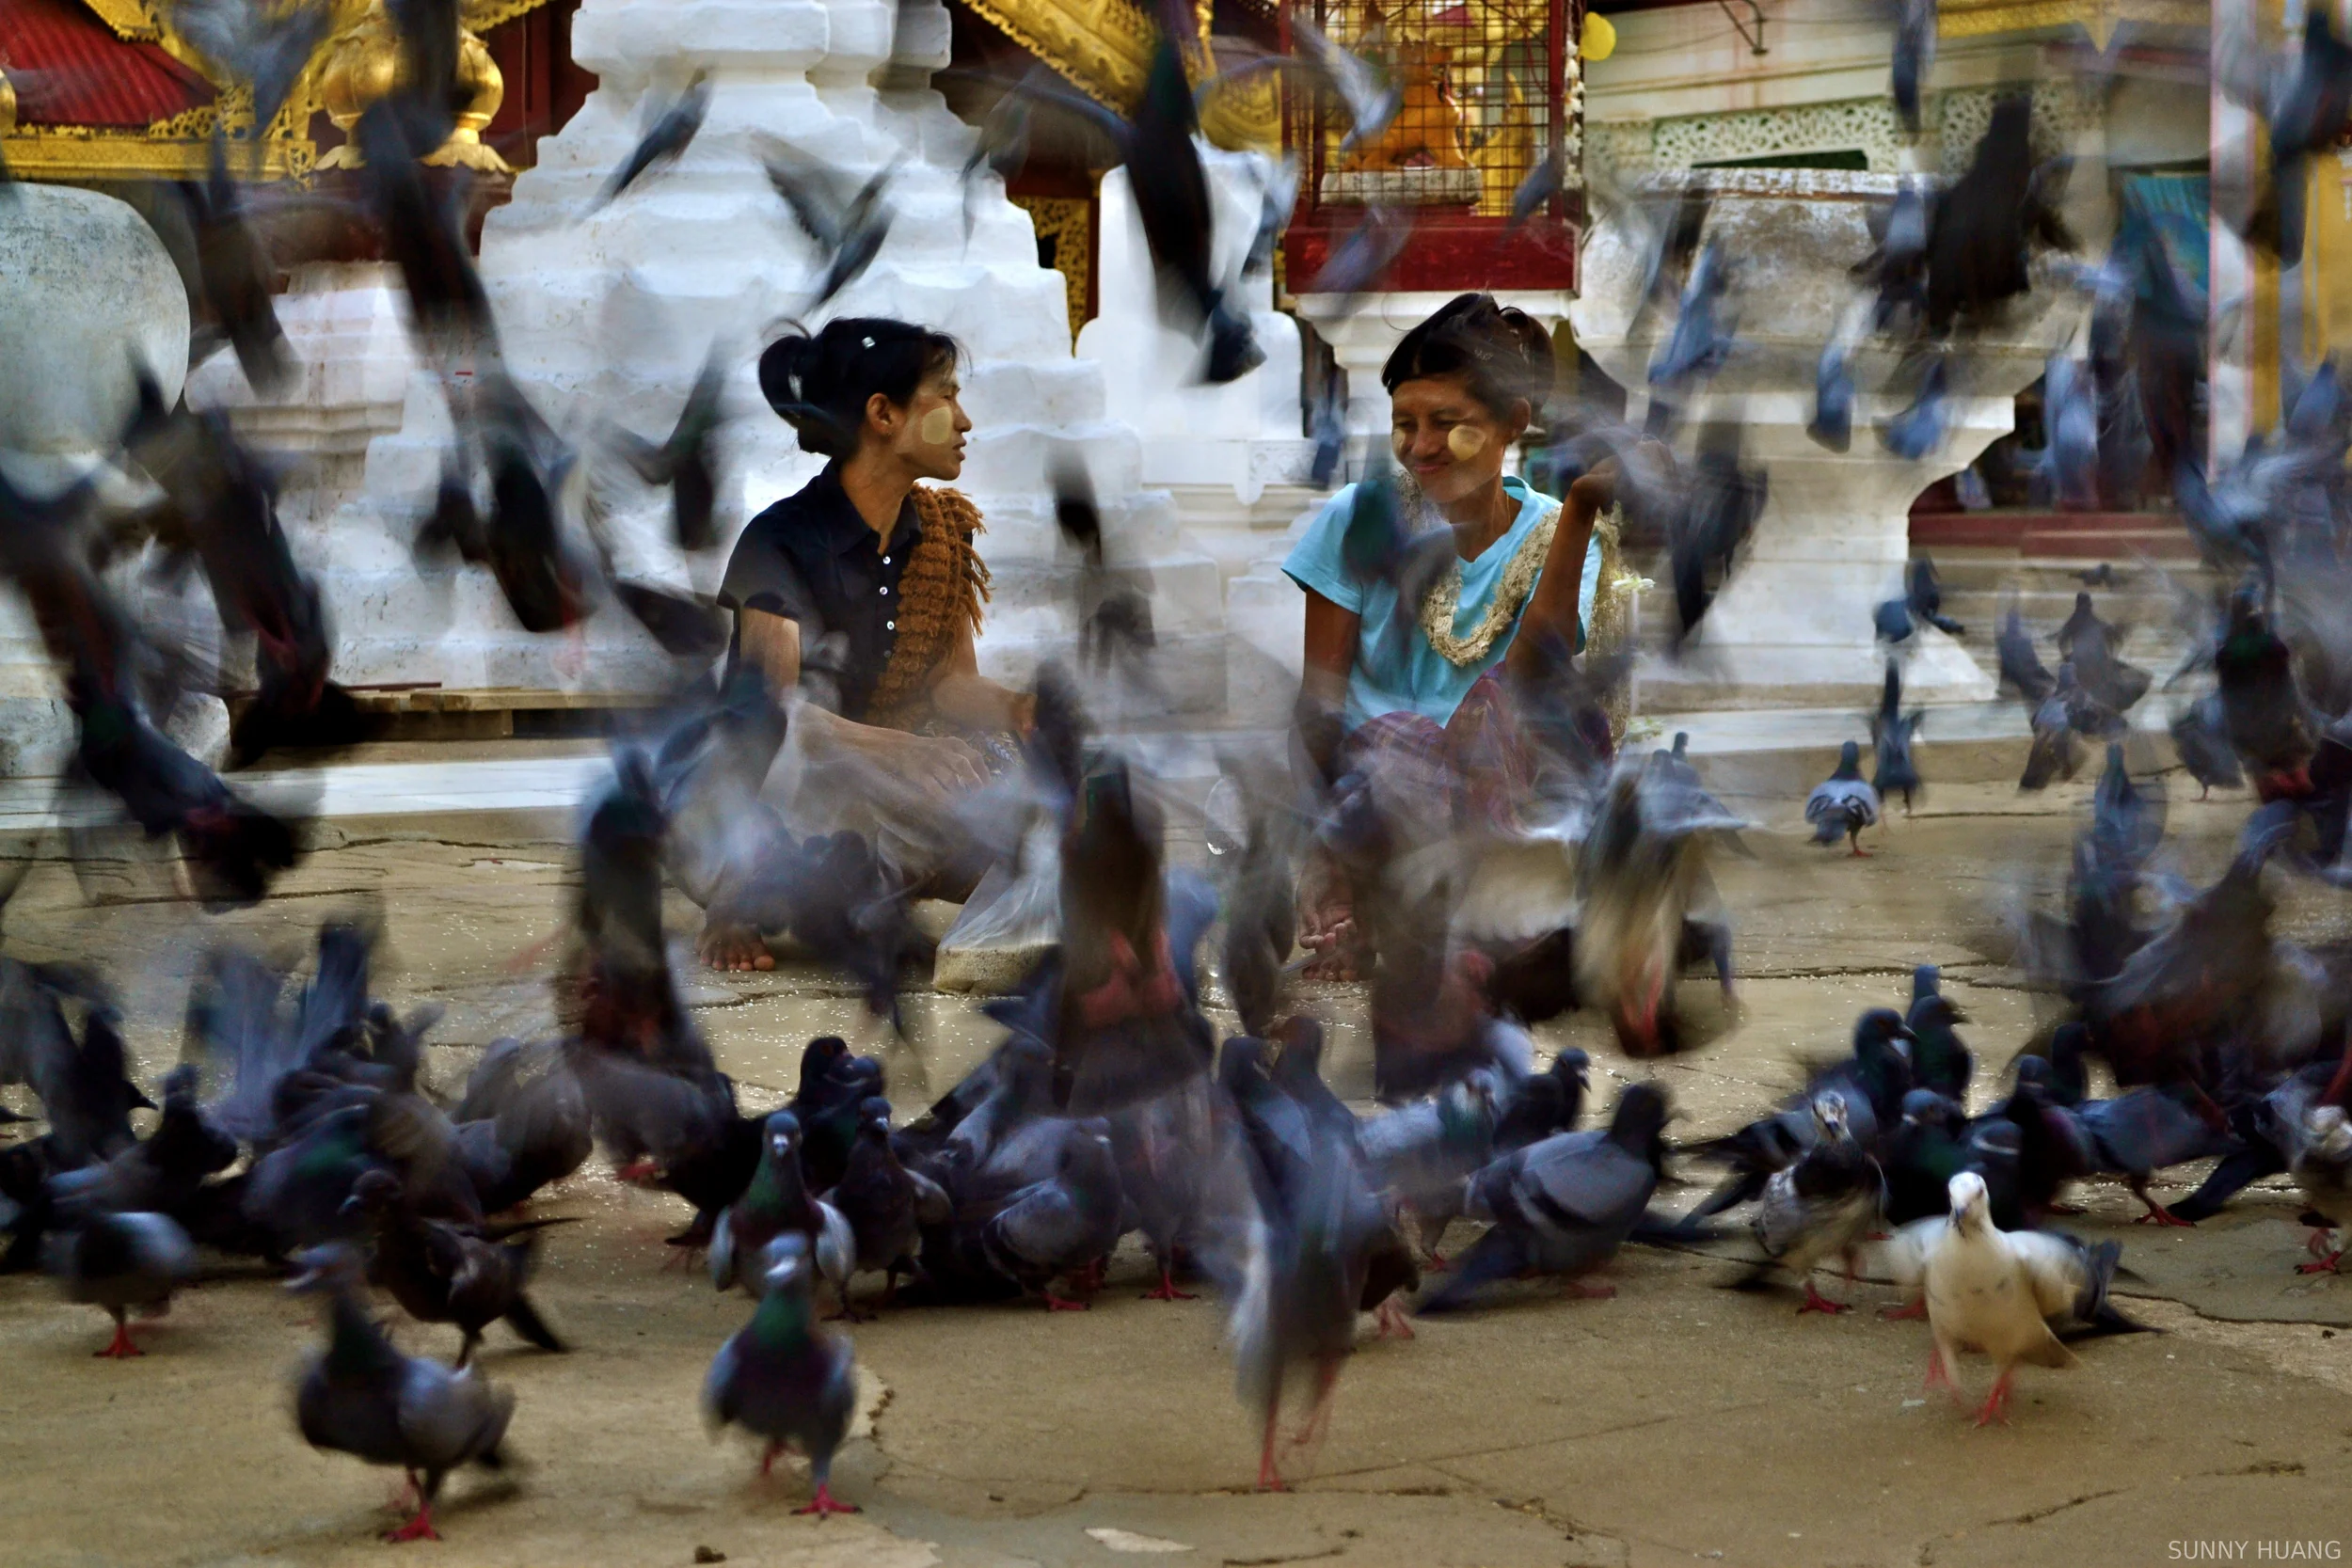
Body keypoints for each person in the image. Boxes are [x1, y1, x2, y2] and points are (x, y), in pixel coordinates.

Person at [1282, 292, 1614, 980]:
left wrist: (1581, 508)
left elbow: (1531, 678)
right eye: (1405, 424)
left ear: (1511, 425)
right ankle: (1391, 908)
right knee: (1399, 740)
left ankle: (1465, 920)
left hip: (1505, 803)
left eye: (1447, 422)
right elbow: (1318, 709)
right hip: (1379, 802)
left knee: (1516, 720)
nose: (1421, 446)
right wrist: (1325, 855)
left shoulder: (1558, 532)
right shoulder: (1359, 518)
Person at [697, 317, 1035, 970]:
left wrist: (1022, 708)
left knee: (1042, 788)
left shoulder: (942, 531)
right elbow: (781, 717)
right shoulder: (779, 542)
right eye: (947, 397)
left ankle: (899, 883)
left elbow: (949, 684)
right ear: (883, 413)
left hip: (885, 785)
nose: (964, 422)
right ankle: (735, 896)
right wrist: (905, 752)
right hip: (790, 790)